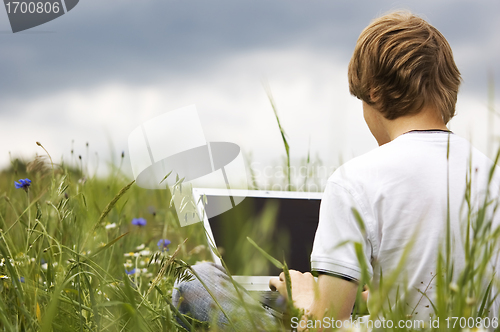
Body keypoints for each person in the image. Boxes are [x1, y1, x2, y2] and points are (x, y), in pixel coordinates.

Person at [173, 10, 500, 330]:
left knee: (197, 283)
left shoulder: (357, 180)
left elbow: (325, 327)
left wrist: (302, 298)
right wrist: (378, 299)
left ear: (372, 92)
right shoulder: (490, 173)